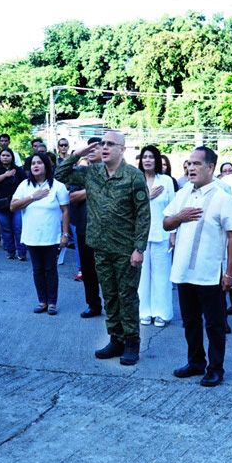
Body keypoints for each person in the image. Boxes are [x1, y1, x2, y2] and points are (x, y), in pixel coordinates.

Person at [56, 131, 150, 367]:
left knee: (127, 297)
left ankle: (131, 342)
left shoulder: (133, 176)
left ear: (122, 149)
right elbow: (60, 174)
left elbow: (143, 215)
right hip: (101, 248)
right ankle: (115, 338)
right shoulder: (92, 173)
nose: (105, 147)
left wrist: (140, 248)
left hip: (126, 250)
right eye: (102, 144)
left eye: (110, 144)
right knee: (109, 296)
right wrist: (78, 154)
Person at [164, 146, 232, 387]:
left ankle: (216, 368)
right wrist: (179, 217)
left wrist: (229, 273)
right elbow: (167, 223)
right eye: (188, 163)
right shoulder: (184, 192)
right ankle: (195, 362)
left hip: (210, 274)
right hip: (183, 271)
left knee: (215, 324)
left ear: (211, 168)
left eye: (197, 164)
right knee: (190, 321)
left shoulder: (222, 197)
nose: (190, 168)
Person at [11, 153, 70, 314]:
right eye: (33, 163)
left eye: (39, 163)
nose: (36, 166)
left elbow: (65, 211)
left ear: (46, 166)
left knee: (50, 269)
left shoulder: (58, 186)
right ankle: (42, 301)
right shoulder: (25, 186)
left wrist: (65, 234)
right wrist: (32, 197)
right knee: (37, 269)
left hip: (51, 237)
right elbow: (13, 206)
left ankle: (52, 302)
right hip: (32, 236)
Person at [137, 146, 176, 328]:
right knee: (142, 276)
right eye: (144, 157)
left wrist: (173, 234)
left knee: (161, 275)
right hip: (139, 236)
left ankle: (162, 313)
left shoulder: (166, 181)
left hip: (162, 234)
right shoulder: (136, 180)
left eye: (151, 157)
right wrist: (147, 196)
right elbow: (128, 207)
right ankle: (144, 312)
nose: (147, 160)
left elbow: (172, 209)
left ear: (157, 160)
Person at [72, 138, 104, 318]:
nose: (91, 150)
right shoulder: (81, 173)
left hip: (107, 230)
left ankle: (114, 307)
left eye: (96, 147)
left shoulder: (111, 171)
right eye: (88, 148)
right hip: (84, 227)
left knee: (108, 271)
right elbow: (72, 197)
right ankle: (93, 305)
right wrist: (92, 189)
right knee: (88, 270)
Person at [0, 148, 27, 260]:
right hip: (1, 204)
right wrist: (5, 175)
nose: (5, 157)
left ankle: (22, 252)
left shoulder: (18, 170)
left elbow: (26, 183)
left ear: (12, 157)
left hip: (17, 204)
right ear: (0, 157)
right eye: (3, 155)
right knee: (6, 229)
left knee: (18, 229)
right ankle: (10, 252)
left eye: (8, 155)